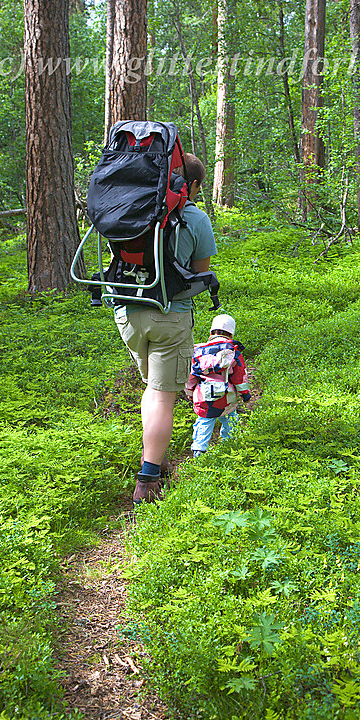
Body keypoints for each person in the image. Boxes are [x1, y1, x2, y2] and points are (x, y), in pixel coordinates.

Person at [113, 154, 217, 505]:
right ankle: (148, 479)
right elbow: (198, 276)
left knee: (152, 388)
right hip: (170, 317)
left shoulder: (131, 209)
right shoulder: (196, 218)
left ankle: (153, 456)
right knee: (161, 395)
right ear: (195, 185)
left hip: (127, 314)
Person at [185, 314, 251, 456]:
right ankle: (230, 444)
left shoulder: (197, 351)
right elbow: (240, 376)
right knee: (230, 417)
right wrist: (245, 393)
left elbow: (190, 376)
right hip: (226, 396)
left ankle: (199, 450)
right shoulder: (233, 350)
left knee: (204, 420)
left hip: (204, 395)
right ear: (231, 333)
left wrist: (190, 393)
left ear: (211, 332)